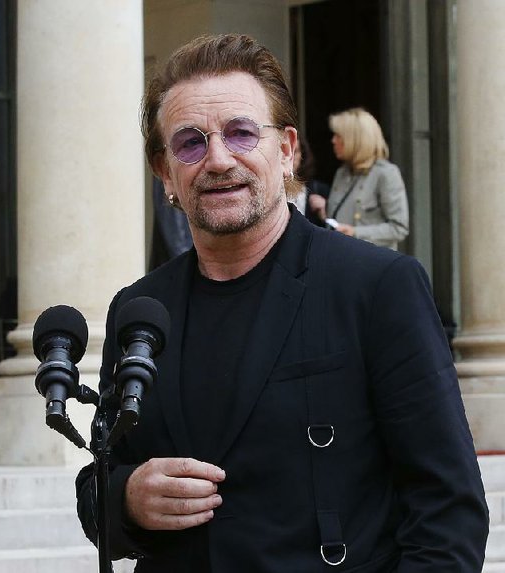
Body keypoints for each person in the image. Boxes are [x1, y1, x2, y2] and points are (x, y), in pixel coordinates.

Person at [75, 34, 488, 572]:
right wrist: (128, 495)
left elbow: (448, 511)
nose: (218, 160)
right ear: (164, 172)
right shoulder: (141, 308)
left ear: (287, 149)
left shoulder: (378, 286)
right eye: (190, 143)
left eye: (242, 133)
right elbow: (99, 481)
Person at [326, 107, 409, 250]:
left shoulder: (385, 173)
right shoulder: (342, 173)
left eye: (339, 136)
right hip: (341, 258)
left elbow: (399, 228)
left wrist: (356, 232)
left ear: (355, 140)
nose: (333, 141)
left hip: (371, 264)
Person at [291, 135, 330, 226]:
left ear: (302, 155)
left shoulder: (318, 190)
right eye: (284, 150)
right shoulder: (267, 189)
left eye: (295, 151)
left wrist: (326, 211)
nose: (290, 156)